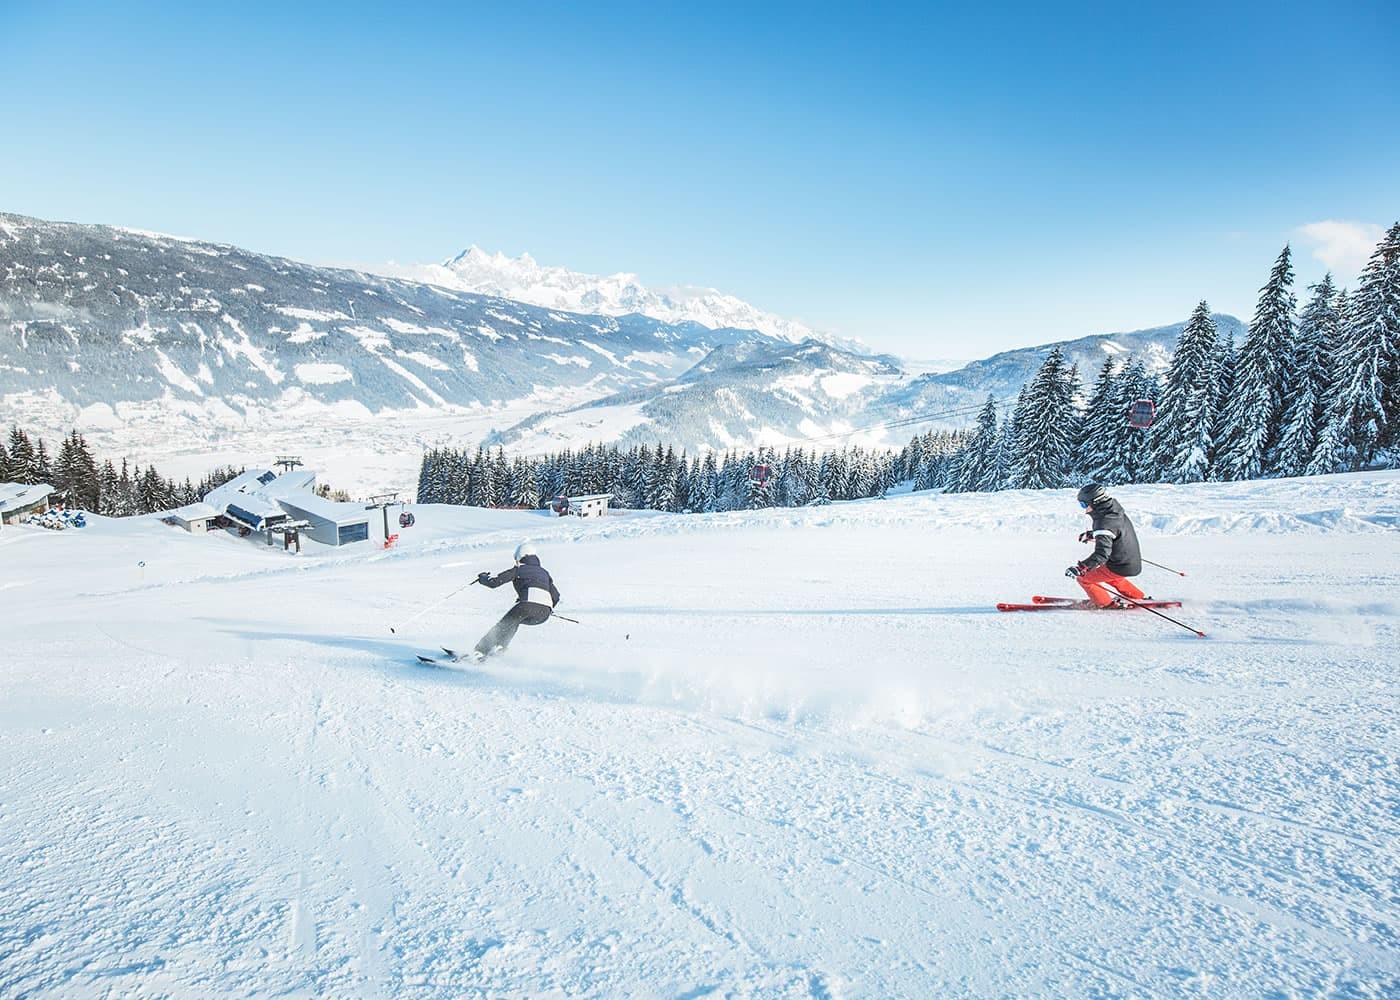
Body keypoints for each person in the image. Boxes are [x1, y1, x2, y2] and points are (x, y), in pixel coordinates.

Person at [470, 541, 561, 659]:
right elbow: (556, 596)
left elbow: (494, 583)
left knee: (503, 625)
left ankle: (479, 653)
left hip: (526, 607)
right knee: (513, 622)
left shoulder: (519, 569)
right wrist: (546, 607)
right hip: (544, 614)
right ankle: (499, 650)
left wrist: (483, 578)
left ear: (520, 557)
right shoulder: (544, 573)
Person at [1065, 483, 1147, 608]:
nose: (1083, 508)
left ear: (1095, 502)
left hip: (1120, 565)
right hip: (1130, 561)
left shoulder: (1104, 522)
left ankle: (1105, 604)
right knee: (1112, 577)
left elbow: (1102, 554)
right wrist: (1093, 534)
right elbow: (1114, 531)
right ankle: (1137, 597)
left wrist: (1081, 568)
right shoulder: (1114, 512)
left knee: (1084, 579)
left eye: (1083, 504)